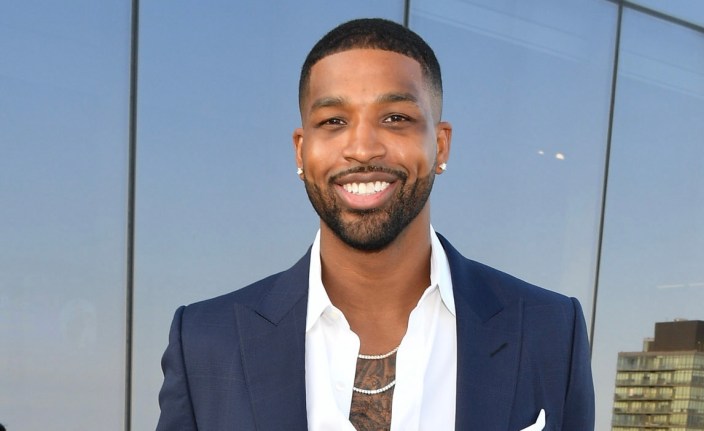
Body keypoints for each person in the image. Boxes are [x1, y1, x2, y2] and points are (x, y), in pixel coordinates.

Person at [157, 18, 594, 431]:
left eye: (395, 118)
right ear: (300, 151)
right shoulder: (204, 343)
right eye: (334, 122)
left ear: (440, 145)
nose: (362, 148)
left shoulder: (550, 330)